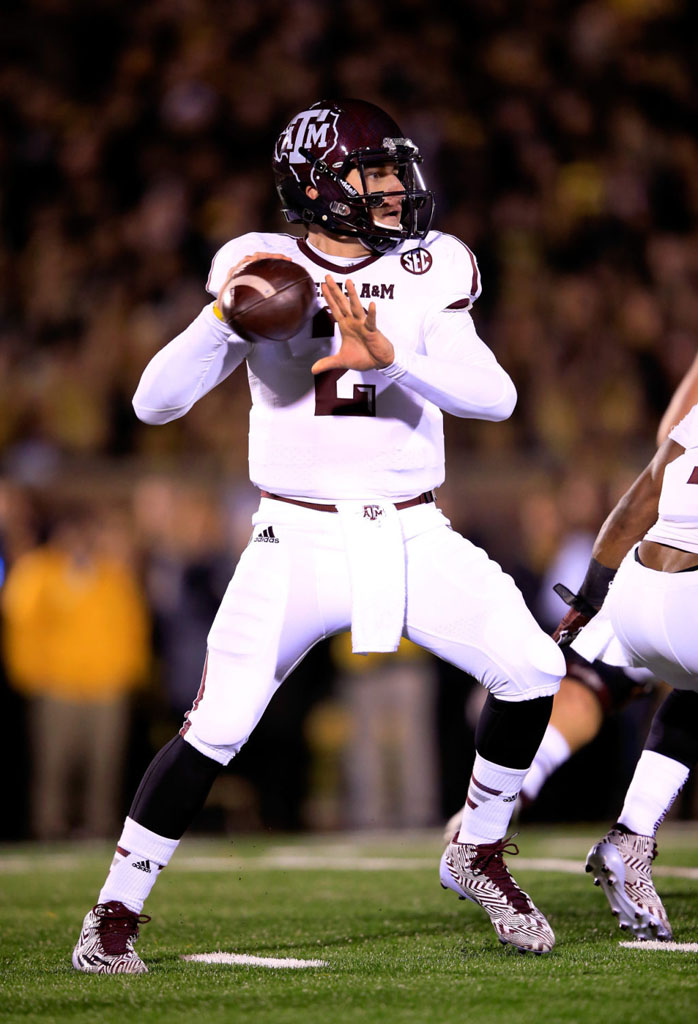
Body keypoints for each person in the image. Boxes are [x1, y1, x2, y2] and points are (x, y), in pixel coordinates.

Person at [71, 98, 565, 973]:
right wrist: (223, 319)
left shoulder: (431, 264)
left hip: (413, 529)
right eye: (374, 172)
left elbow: (497, 398)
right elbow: (154, 403)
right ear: (319, 185)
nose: (396, 188)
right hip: (294, 535)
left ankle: (478, 850)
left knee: (533, 668)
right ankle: (113, 913)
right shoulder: (256, 264)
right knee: (217, 724)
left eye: (394, 170)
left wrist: (394, 358)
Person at [552, 400, 698, 941]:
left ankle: (632, 837)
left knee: (692, 693)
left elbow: (642, 497)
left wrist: (590, 598)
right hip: (690, 607)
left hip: (633, 596)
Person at [2, 504, 150, 839]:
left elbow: (132, 628)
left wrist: (128, 674)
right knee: (53, 765)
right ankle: (49, 827)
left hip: (106, 686)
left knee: (105, 766)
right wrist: (30, 675)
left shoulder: (112, 576)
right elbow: (22, 627)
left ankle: (98, 827)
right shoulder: (37, 572)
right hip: (57, 685)